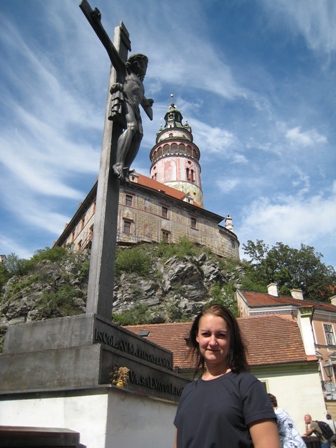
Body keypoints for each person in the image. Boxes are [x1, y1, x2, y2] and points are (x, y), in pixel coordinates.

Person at [173, 304, 280, 448]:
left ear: (231, 339)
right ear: (196, 337)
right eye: (206, 334)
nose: (212, 342)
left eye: (221, 335)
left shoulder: (247, 386)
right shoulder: (188, 392)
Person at [109, 53, 154, 183]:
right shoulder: (127, 71)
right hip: (125, 101)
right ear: (137, 64)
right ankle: (118, 164)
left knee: (139, 134)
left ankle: (125, 168)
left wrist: (147, 102)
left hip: (136, 108)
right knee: (132, 127)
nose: (145, 69)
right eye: (144, 65)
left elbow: (141, 99)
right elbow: (112, 52)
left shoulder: (141, 84)